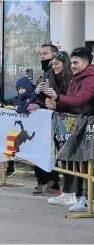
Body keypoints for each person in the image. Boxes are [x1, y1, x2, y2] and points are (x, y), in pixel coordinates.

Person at [45, 47, 94, 212]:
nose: (71, 66)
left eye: (75, 62)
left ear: (85, 63)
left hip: (89, 126)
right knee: (81, 162)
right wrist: (57, 104)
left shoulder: (90, 79)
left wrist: (58, 98)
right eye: (71, 62)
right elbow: (72, 101)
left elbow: (80, 100)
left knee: (89, 164)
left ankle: (88, 199)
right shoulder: (76, 78)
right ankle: (78, 196)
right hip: (80, 125)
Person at [27, 44, 62, 196]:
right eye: (40, 53)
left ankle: (47, 180)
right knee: (44, 149)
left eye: (45, 54)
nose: (42, 56)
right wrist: (36, 92)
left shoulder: (54, 73)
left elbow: (54, 96)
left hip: (53, 117)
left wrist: (39, 101)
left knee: (47, 150)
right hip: (45, 117)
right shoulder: (45, 72)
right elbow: (42, 96)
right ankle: (49, 181)